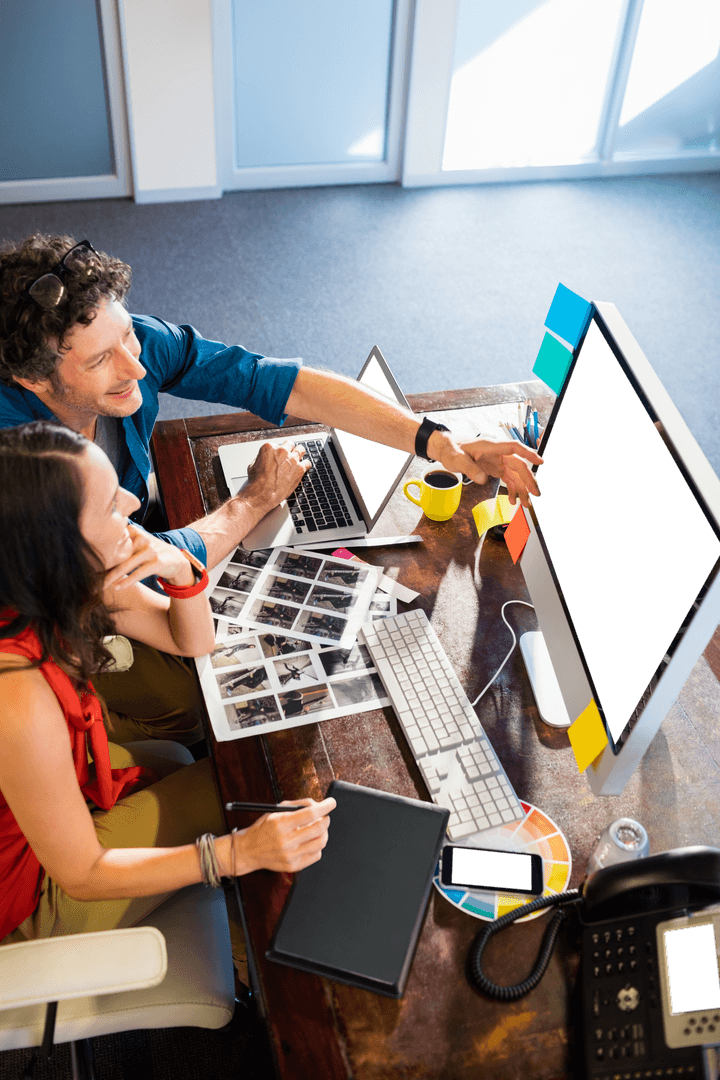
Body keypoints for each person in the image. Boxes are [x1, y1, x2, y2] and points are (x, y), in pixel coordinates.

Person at [0, 234, 542, 746]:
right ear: (34, 380)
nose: (137, 365)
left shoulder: (120, 341)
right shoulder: (20, 466)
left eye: (128, 337)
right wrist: (253, 500)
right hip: (48, 608)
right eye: (101, 361)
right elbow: (143, 560)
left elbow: (270, 379)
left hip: (117, 558)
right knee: (195, 705)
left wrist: (436, 441)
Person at [0, 421, 335, 946]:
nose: (134, 503)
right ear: (60, 548)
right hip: (34, 894)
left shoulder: (60, 576)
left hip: (61, 800)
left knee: (229, 778)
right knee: (255, 789)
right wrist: (237, 853)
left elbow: (191, 643)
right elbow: (84, 874)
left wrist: (182, 571)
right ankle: (266, 958)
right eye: (110, 505)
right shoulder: (16, 698)